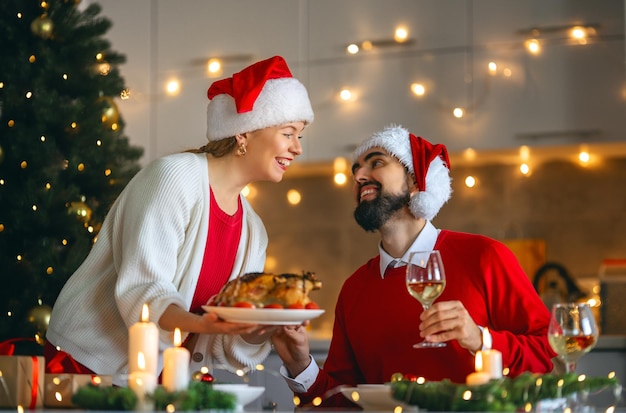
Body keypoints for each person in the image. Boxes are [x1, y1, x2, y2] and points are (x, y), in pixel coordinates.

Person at [45, 55, 314, 386]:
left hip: (161, 380)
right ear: (243, 133)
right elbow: (142, 291)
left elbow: (225, 347)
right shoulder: (174, 178)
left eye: (300, 136)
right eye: (288, 133)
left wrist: (266, 326)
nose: (298, 148)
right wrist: (205, 324)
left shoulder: (252, 230)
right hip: (90, 367)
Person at [271, 125, 556, 408]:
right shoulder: (354, 289)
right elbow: (340, 402)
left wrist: (480, 340)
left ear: (417, 181)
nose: (358, 176)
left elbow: (549, 355)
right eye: (356, 169)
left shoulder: (485, 256)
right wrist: (300, 365)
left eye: (377, 162)